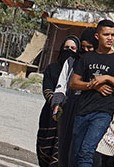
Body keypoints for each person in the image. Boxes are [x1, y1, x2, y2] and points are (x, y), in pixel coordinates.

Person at [69, 20, 114, 167]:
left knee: (87, 151)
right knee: (76, 153)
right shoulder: (87, 58)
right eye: (106, 34)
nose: (110, 38)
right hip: (83, 110)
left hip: (103, 112)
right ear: (98, 36)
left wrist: (107, 78)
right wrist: (92, 85)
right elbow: (74, 83)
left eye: (113, 34)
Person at [37, 35, 81, 167]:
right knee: (44, 149)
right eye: (66, 47)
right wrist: (57, 104)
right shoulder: (52, 68)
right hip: (50, 114)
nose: (69, 50)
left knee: (60, 152)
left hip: (68, 116)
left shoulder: (78, 70)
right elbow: (47, 90)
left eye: (73, 48)